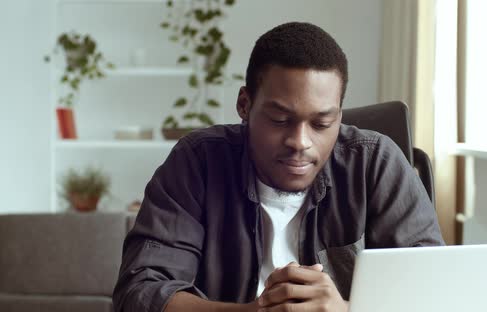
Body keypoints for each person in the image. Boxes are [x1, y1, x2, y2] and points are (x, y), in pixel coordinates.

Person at [113, 21, 444, 312]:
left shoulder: (375, 164)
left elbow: (436, 293)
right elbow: (140, 294)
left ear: (339, 116)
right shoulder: (198, 162)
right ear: (245, 105)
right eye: (280, 119)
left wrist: (346, 309)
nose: (300, 141)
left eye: (321, 123)